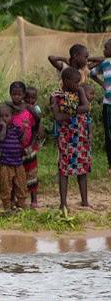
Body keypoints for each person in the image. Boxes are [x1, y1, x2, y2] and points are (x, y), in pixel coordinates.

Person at [51, 67, 91, 214]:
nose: (77, 84)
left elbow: (86, 106)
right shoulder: (55, 95)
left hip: (80, 136)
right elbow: (58, 117)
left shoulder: (79, 91)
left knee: (82, 169)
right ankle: (63, 203)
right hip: (66, 137)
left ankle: (85, 201)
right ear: (65, 81)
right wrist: (75, 110)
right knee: (64, 170)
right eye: (75, 82)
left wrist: (69, 110)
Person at [0, 102, 29, 211]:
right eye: (1, 116)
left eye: (7, 116)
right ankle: (7, 205)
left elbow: (22, 139)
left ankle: (21, 204)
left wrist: (24, 129)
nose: (4, 118)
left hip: (18, 162)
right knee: (5, 185)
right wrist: (4, 127)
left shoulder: (16, 128)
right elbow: (1, 138)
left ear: (12, 116)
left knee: (21, 183)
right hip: (5, 163)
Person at [90, 39, 111, 172]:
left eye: (106, 48)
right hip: (108, 104)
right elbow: (92, 73)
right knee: (109, 134)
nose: (104, 50)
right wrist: (102, 84)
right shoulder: (104, 63)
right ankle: (110, 164)